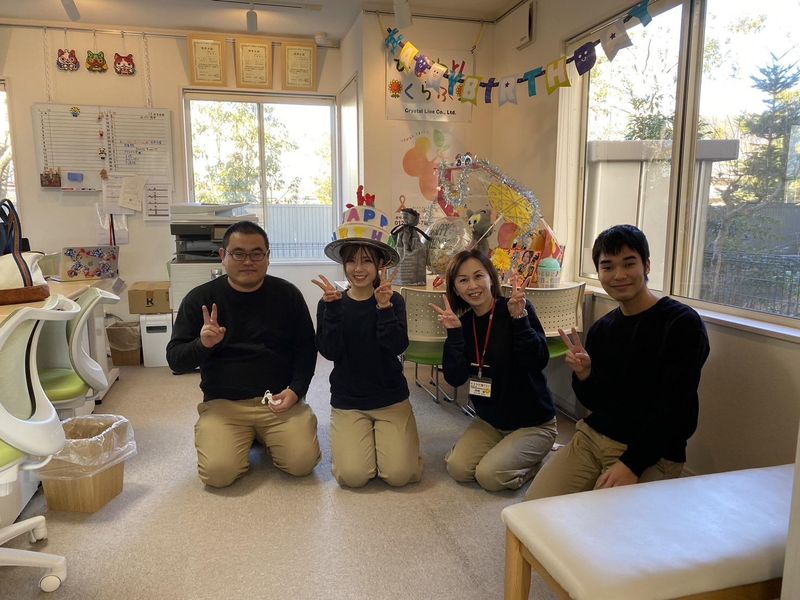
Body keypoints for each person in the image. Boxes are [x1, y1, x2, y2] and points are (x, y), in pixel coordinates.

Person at [525, 224, 710, 500]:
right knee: (532, 511)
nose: (619, 275)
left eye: (629, 263)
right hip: (593, 438)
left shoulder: (681, 323)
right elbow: (595, 401)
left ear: (647, 266)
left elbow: (676, 408)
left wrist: (632, 464)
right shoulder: (603, 329)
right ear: (599, 273)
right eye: (608, 266)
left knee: (606, 525)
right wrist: (585, 374)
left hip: (652, 451)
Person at [166, 221, 321, 488]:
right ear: (223, 256)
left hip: (278, 400)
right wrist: (203, 344)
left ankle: (260, 435)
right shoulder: (199, 299)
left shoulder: (287, 295)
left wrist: (296, 391)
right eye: (238, 253)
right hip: (224, 405)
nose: (248, 261)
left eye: (256, 253)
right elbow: (175, 360)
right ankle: (241, 436)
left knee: (301, 464)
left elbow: (306, 349)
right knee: (218, 475)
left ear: (268, 256)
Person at [431, 248, 557, 492]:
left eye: (478, 276)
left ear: (491, 277)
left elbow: (538, 360)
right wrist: (454, 334)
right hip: (490, 421)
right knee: (458, 469)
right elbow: (455, 378)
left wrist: (520, 320)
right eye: (463, 280)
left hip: (533, 423)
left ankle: (534, 461)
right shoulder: (463, 324)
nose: (472, 286)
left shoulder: (516, 309)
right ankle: (506, 452)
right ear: (455, 288)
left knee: (489, 476)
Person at [313, 208, 422, 488]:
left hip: (390, 399)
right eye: (351, 260)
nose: (358, 268)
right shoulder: (330, 302)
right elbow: (329, 352)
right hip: (348, 401)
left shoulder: (393, 301)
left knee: (400, 475)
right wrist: (333, 311)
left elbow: (397, 346)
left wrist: (384, 308)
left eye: (366, 261)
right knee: (353, 476)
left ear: (380, 264)